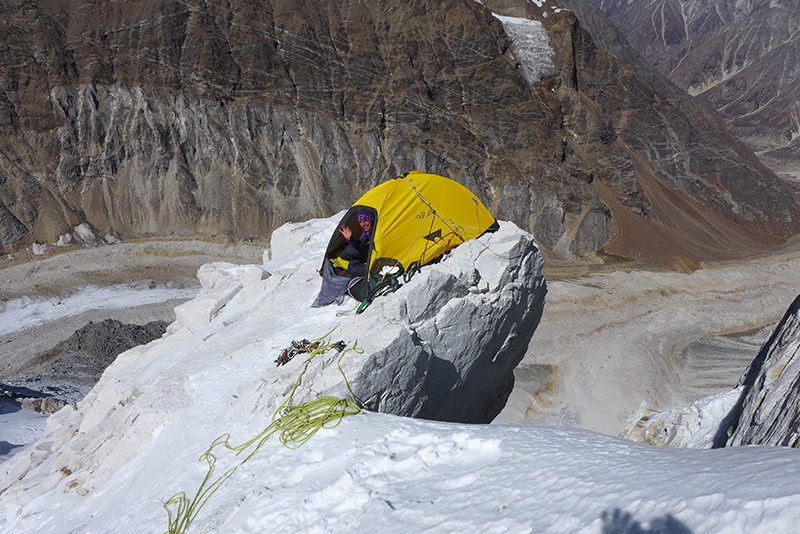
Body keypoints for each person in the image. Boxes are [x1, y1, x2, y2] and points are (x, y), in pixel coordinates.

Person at [338, 208, 374, 277]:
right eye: (360, 222)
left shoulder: (377, 229)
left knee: (349, 251)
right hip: (370, 252)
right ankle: (369, 269)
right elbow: (359, 245)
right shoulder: (367, 232)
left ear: (371, 219)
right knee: (352, 268)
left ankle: (374, 270)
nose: (363, 224)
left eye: (365, 220)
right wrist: (350, 238)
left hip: (379, 254)